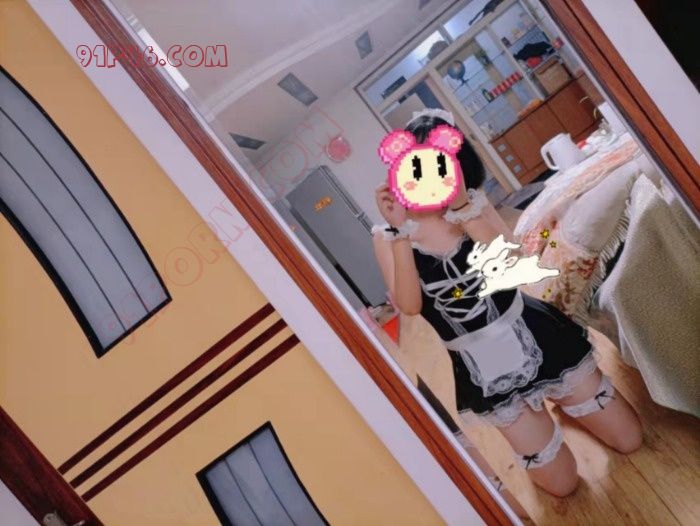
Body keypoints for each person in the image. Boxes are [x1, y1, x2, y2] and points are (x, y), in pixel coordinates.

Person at [372, 109, 642, 497]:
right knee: (562, 484)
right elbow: (410, 306)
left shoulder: (471, 204)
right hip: (480, 367)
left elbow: (515, 267)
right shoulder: (387, 235)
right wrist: (400, 233)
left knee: (630, 439)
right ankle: (549, 420)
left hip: (533, 333)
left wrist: (464, 211)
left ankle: (568, 405)